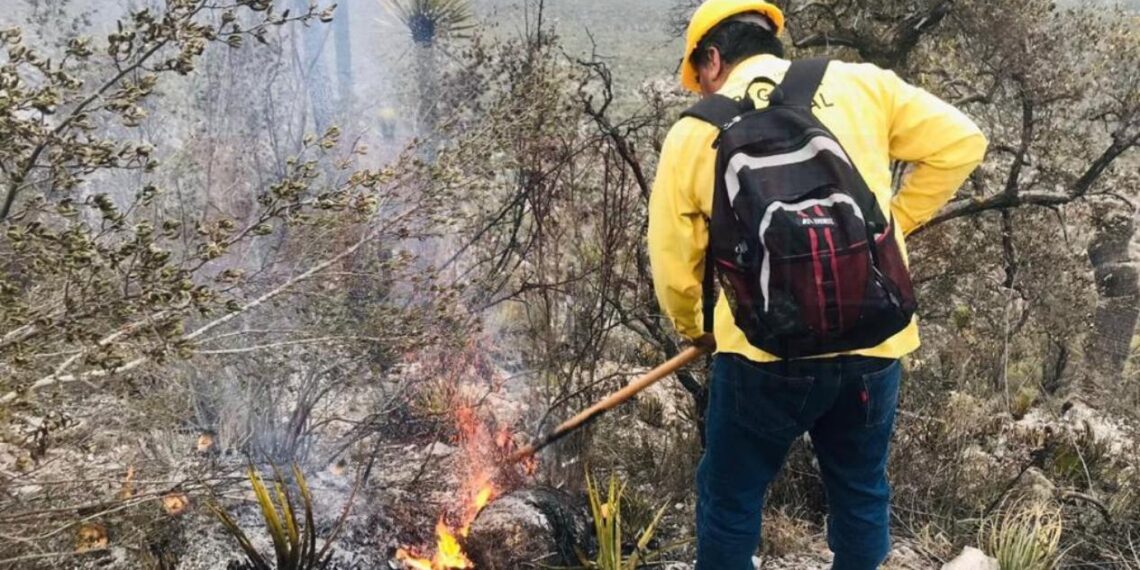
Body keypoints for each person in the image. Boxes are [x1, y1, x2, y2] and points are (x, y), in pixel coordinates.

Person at [647, 1, 988, 569]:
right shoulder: (864, 85)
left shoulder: (695, 132)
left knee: (730, 497)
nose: (701, 90)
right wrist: (893, 224)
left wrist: (696, 329)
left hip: (760, 350)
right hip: (872, 337)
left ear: (713, 57)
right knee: (860, 489)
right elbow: (963, 142)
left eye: (700, 76)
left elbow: (674, 258)